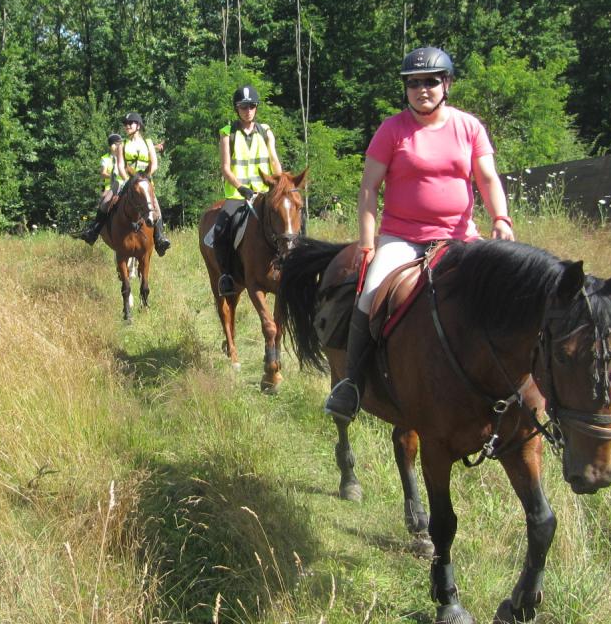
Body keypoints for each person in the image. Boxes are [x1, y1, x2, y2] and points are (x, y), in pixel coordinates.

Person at [324, 46, 515, 422]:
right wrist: (367, 243)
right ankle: (351, 384)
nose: (422, 89)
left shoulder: (469, 127)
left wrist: (502, 218)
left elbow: (488, 178)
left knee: (503, 296)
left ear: (447, 84)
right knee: (369, 295)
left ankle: (515, 385)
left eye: (430, 81)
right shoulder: (391, 130)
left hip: (461, 239)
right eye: (414, 83)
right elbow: (368, 189)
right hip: (402, 237)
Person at [208, 85, 283, 296]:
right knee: (221, 230)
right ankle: (225, 276)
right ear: (237, 109)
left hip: (265, 192)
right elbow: (225, 168)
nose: (247, 110)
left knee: (293, 220)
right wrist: (241, 188)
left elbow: (274, 160)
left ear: (256, 108)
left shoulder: (265, 131)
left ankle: (296, 265)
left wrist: (279, 183)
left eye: (251, 106)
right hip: (238, 195)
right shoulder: (227, 133)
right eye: (243, 106)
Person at [116, 112, 172, 255]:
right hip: (128, 181)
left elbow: (154, 164)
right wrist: (129, 180)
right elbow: (121, 166)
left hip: (145, 182)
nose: (127, 126)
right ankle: (95, 229)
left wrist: (145, 178)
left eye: (130, 123)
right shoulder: (122, 144)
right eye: (125, 124)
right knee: (109, 203)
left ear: (138, 126)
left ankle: (159, 238)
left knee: (156, 209)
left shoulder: (148, 142)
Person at [75, 133, 123, 244]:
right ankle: (94, 230)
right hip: (110, 186)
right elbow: (103, 173)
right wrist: (113, 175)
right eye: (117, 144)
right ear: (111, 146)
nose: (119, 146)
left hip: (124, 183)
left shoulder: (124, 156)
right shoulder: (105, 159)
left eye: (120, 144)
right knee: (104, 202)